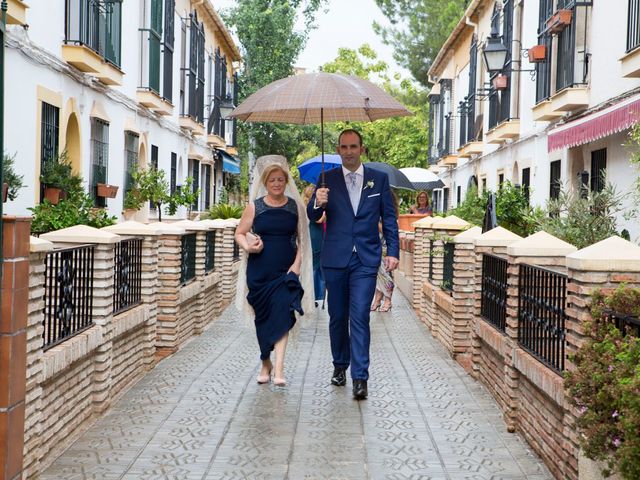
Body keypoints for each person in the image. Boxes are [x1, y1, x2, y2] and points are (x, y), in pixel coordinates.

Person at [307, 129, 399, 400]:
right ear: (338, 149)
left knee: (359, 316)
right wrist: (317, 202)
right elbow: (313, 216)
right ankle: (339, 365)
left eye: (353, 146)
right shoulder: (327, 179)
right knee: (337, 317)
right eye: (344, 147)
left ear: (362, 148)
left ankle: (361, 377)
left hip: (365, 260)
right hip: (335, 259)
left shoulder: (378, 181)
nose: (348, 151)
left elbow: (390, 219)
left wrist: (392, 251)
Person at [235, 155, 314, 387]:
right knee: (263, 320)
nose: (277, 184)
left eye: (280, 179)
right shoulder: (254, 207)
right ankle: (265, 361)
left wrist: (297, 265)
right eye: (272, 180)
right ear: (265, 183)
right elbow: (239, 233)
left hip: (285, 272)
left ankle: (279, 368)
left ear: (286, 181)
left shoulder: (295, 207)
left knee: (282, 315)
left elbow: (303, 240)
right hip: (259, 271)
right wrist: (247, 245)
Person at [371, 191, 399, 313]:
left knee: (386, 274)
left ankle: (388, 300)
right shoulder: (376, 211)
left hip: (386, 248)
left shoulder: (389, 215)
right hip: (375, 246)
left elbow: (387, 231)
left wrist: (376, 223)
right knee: (378, 274)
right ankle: (377, 299)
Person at [302, 185, 326, 306]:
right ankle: (317, 294)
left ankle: (314, 294)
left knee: (314, 264)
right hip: (315, 235)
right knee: (316, 265)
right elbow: (319, 220)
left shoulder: (304, 205)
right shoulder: (310, 207)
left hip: (314, 234)